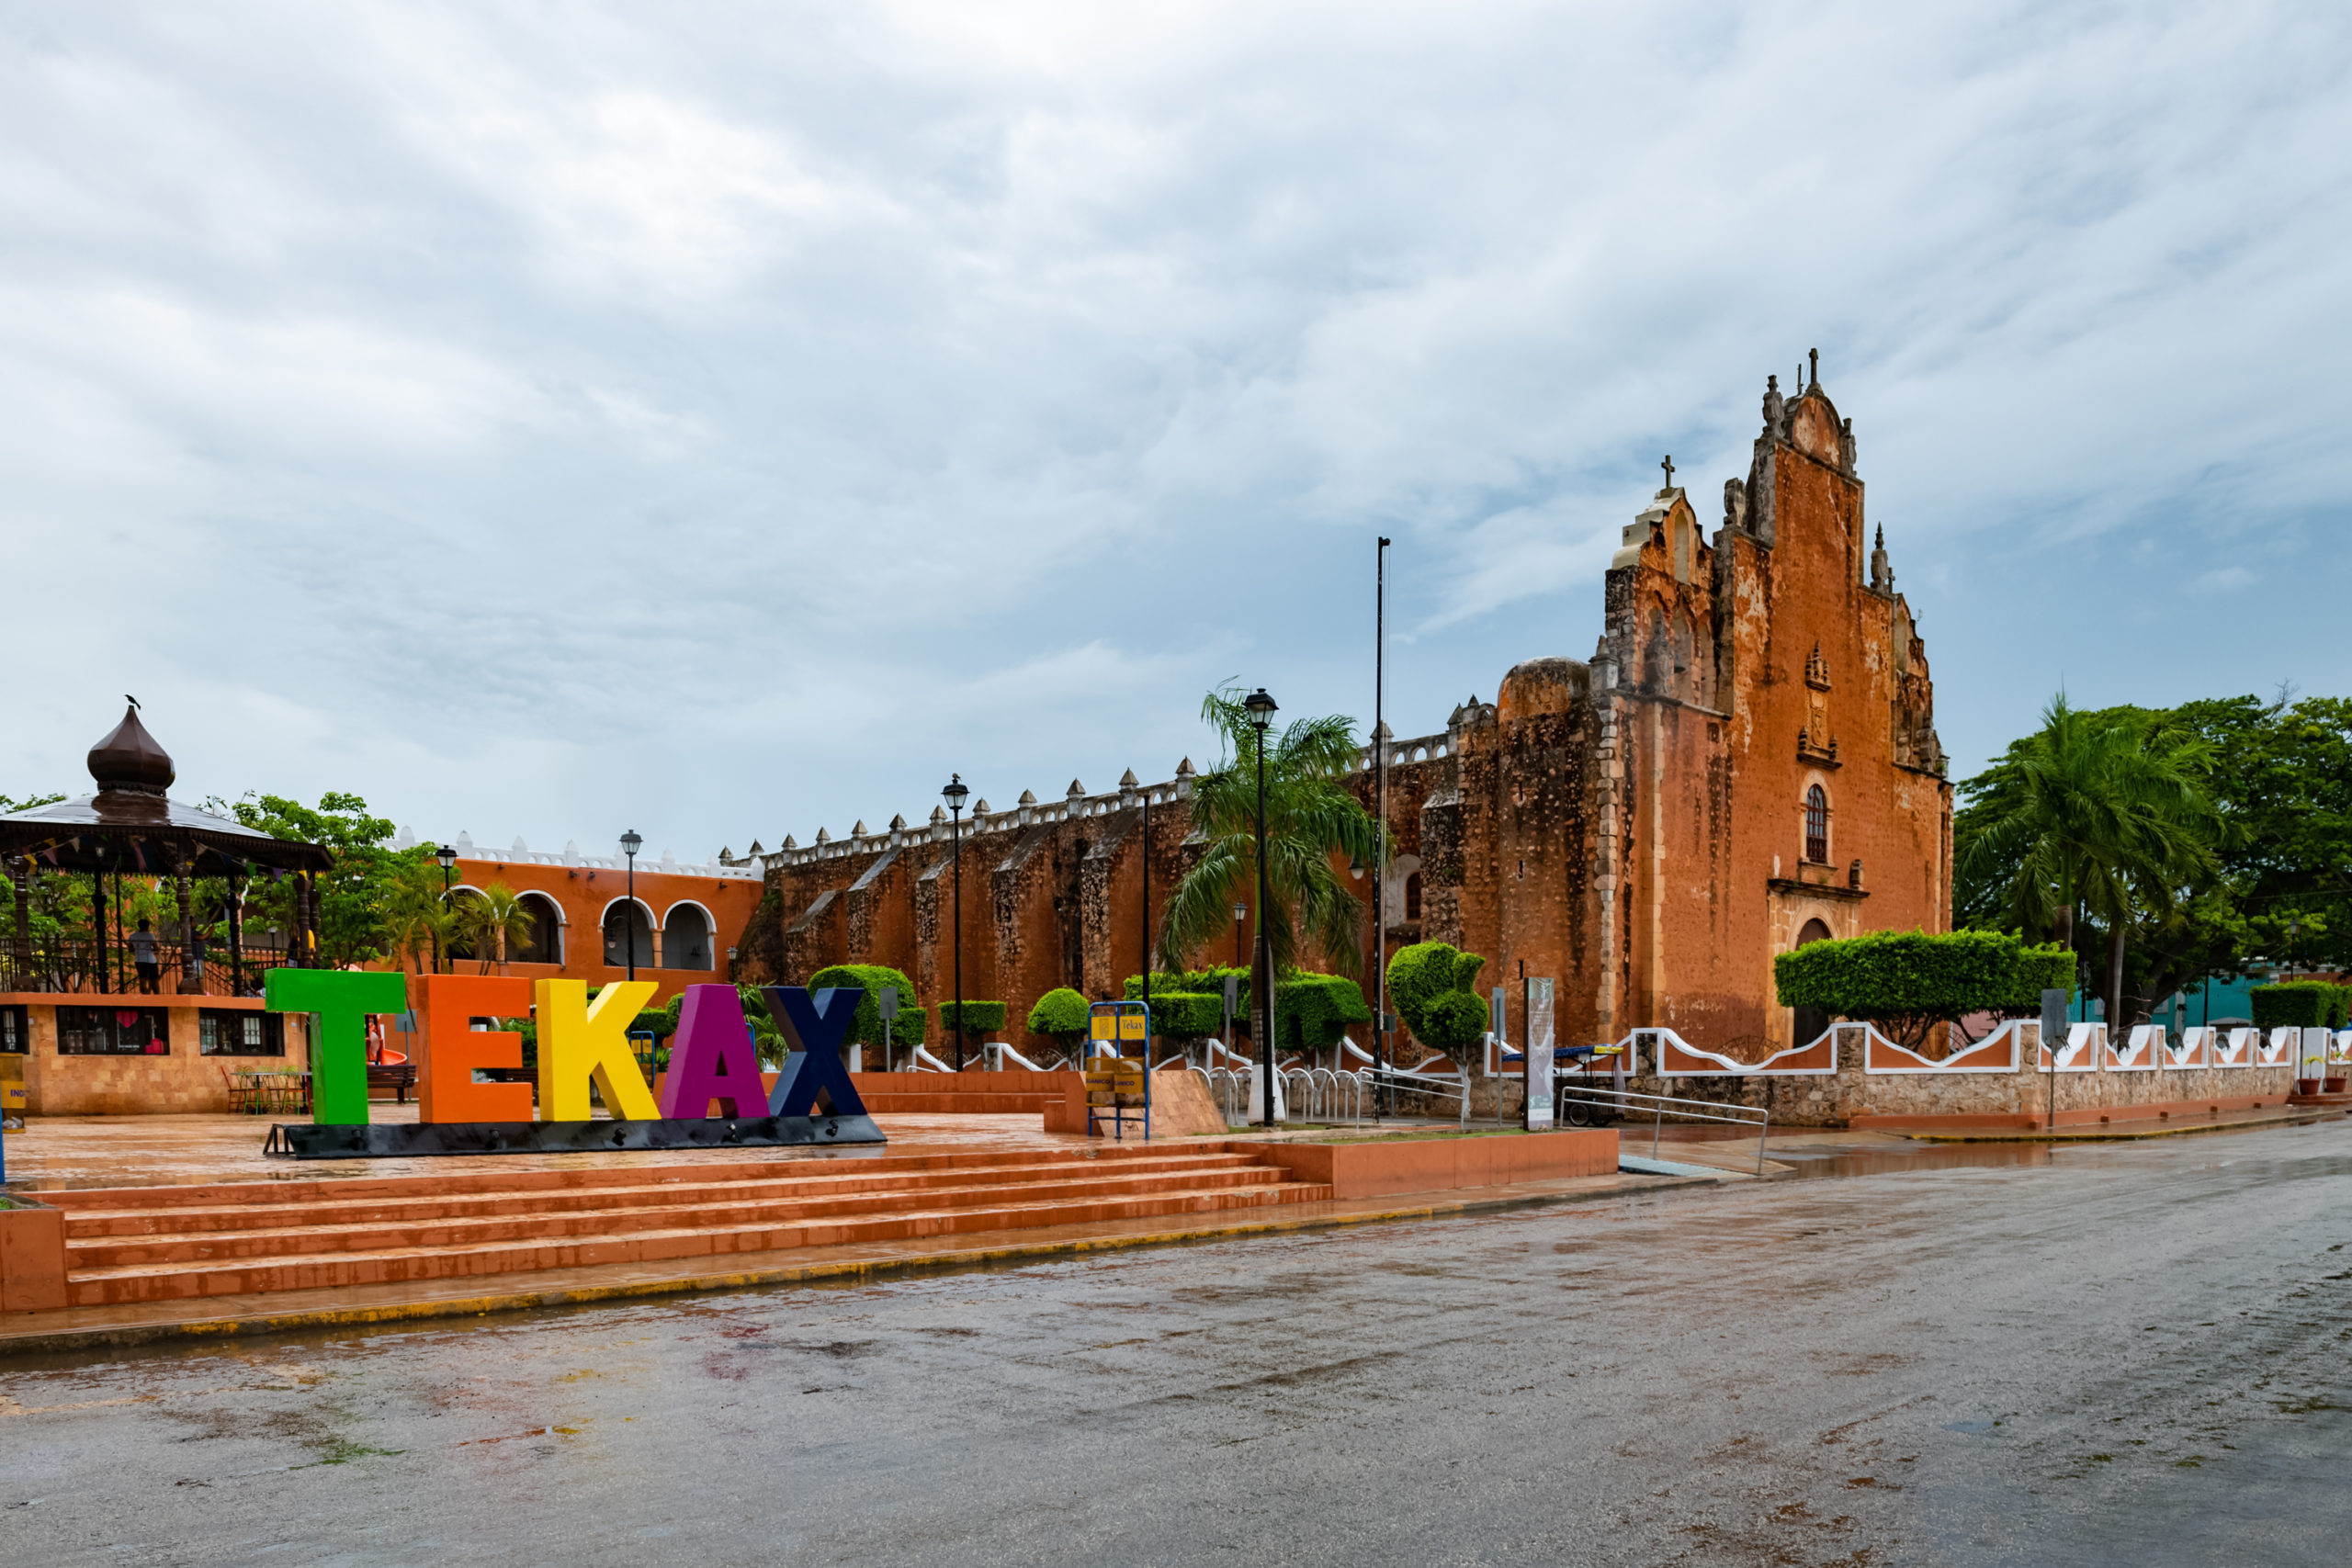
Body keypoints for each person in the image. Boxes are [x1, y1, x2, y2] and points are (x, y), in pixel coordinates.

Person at [130, 917, 160, 993]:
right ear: (147, 927)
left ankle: (144, 997)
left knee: (142, 979)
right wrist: (150, 948)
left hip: (139, 960)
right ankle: (158, 998)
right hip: (150, 960)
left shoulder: (133, 936)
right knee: (154, 980)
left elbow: (130, 949)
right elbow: (156, 949)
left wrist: (138, 949)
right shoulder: (150, 936)